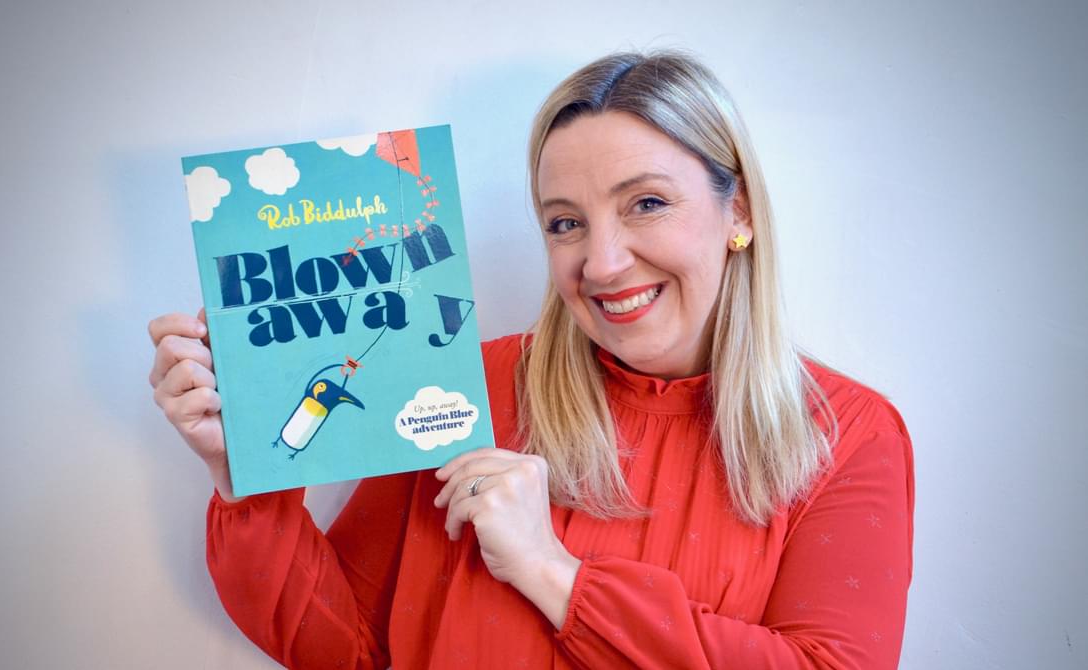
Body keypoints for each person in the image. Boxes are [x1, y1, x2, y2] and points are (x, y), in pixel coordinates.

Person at [149, 51, 914, 669]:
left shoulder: (849, 435)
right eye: (564, 223)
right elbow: (346, 649)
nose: (603, 262)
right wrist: (243, 471)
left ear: (736, 212)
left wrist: (556, 576)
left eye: (646, 203)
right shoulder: (460, 385)